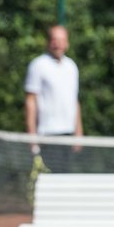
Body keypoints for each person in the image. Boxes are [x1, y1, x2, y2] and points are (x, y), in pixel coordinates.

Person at [24, 24, 83, 171]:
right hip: (47, 135)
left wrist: (79, 133)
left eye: (62, 40)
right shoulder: (38, 65)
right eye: (55, 39)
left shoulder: (71, 66)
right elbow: (30, 101)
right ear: (48, 42)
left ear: (67, 43)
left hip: (68, 135)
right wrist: (32, 137)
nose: (58, 44)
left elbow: (74, 101)